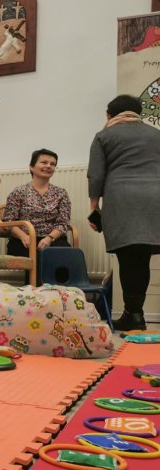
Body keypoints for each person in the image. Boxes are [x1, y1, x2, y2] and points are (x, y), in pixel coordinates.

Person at [87, 94, 160, 331]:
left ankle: (133, 315)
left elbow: (96, 174)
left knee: (128, 258)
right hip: (154, 197)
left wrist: (94, 208)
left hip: (121, 198)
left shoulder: (104, 135)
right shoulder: (156, 134)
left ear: (110, 114)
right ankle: (135, 314)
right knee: (143, 258)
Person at [2, 148, 71, 284]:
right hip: (23, 240)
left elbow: (63, 222)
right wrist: (24, 236)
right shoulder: (19, 192)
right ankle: (33, 297)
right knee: (37, 257)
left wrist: (49, 238)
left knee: (65, 254)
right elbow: (9, 222)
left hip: (52, 238)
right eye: (44, 162)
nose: (48, 166)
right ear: (32, 167)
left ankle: (60, 296)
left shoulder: (61, 193)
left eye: (52, 164)